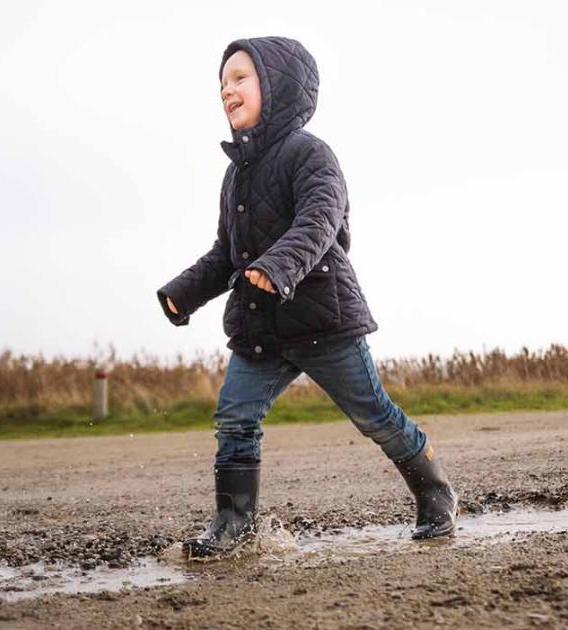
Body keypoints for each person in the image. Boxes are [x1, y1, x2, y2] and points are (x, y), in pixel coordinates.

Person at [156, 36, 458, 559]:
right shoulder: (235, 176)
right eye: (221, 83)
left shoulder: (310, 154)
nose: (227, 90)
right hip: (262, 329)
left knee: (375, 416)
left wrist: (277, 266)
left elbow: (319, 221)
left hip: (324, 319)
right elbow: (226, 253)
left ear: (277, 86)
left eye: (240, 78)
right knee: (235, 416)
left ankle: (435, 492)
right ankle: (234, 525)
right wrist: (183, 294)